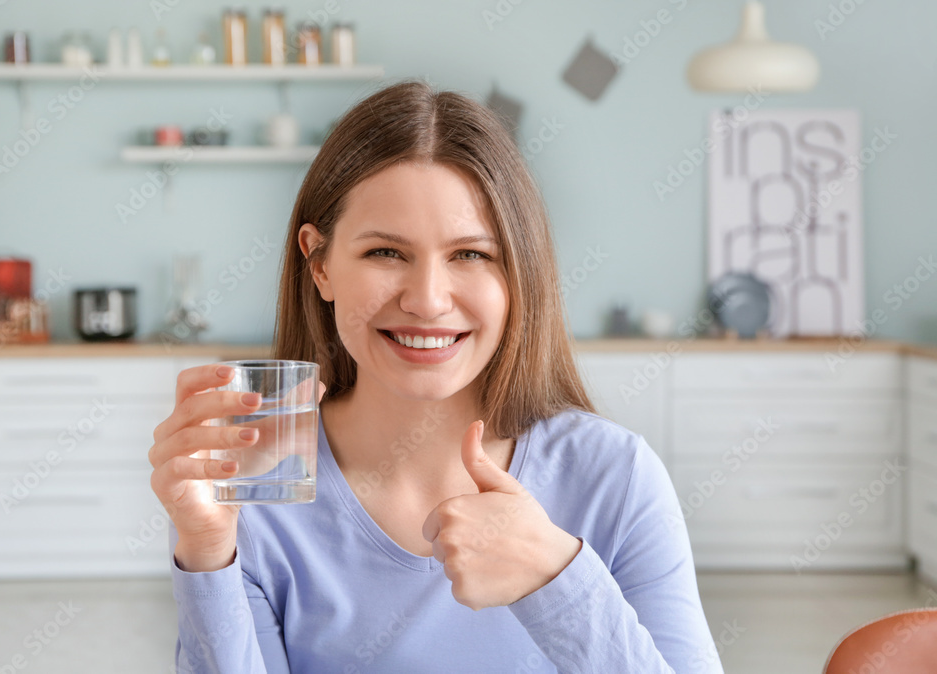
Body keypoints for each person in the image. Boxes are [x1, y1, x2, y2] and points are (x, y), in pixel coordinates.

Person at [149, 79, 724, 673]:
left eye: (470, 255)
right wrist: (208, 553)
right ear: (320, 265)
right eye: (386, 253)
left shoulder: (616, 477)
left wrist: (556, 577)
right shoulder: (260, 485)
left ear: (518, 274)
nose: (427, 300)